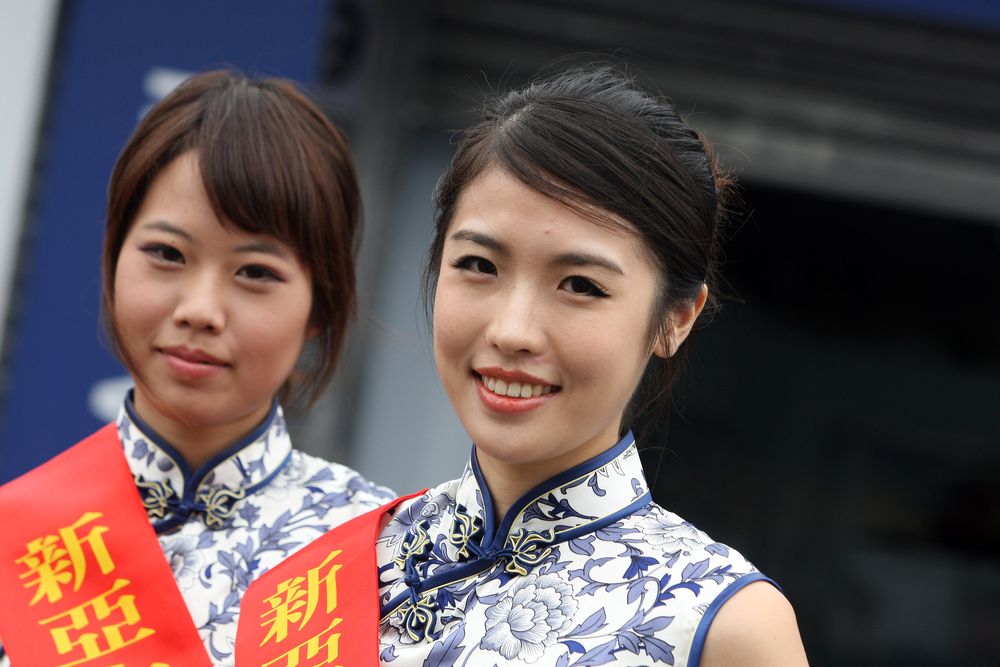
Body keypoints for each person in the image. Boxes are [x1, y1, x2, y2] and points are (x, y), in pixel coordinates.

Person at [375, 66, 809, 666]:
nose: (512, 331)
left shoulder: (720, 622)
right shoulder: (346, 557)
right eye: (479, 265)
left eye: (580, 284)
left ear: (675, 319)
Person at [0, 70, 393, 666]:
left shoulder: (379, 552)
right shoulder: (17, 537)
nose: (201, 310)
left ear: (321, 305)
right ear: (113, 258)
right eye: (167, 254)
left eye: (255, 272)